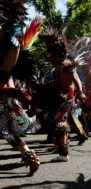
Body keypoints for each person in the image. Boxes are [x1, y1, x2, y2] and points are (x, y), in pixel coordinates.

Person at [0, 0, 40, 176]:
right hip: (6, 91)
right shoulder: (13, 42)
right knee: (7, 133)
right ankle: (29, 154)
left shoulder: (9, 40)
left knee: (7, 131)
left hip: (3, 90)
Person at [37, 28, 86, 162]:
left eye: (51, 55)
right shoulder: (63, 65)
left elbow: (75, 79)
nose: (49, 58)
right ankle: (59, 145)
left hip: (64, 98)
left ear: (57, 55)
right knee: (61, 121)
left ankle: (64, 154)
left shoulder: (64, 66)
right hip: (64, 97)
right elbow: (66, 80)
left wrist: (81, 92)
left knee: (60, 123)